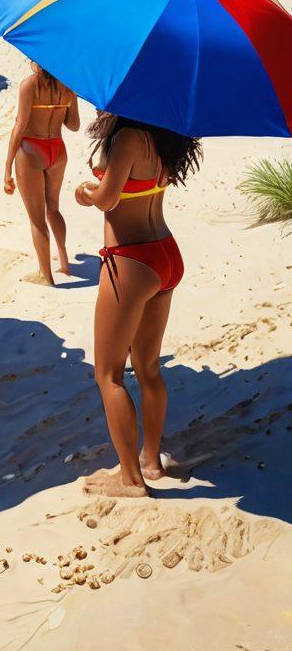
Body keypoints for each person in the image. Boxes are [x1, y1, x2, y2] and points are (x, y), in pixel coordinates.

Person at [75, 113, 202, 497]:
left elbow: (107, 199)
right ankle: (151, 460)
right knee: (148, 368)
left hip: (131, 258)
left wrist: (86, 192)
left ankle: (130, 479)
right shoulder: (164, 133)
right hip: (164, 251)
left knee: (109, 374)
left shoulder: (128, 137)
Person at [4, 66, 79, 285]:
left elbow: (20, 126)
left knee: (37, 220)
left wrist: (7, 167)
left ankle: (45, 275)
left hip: (32, 149)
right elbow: (74, 125)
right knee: (53, 208)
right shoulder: (68, 86)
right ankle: (64, 262)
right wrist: (64, 103)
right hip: (57, 148)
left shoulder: (30, 84)